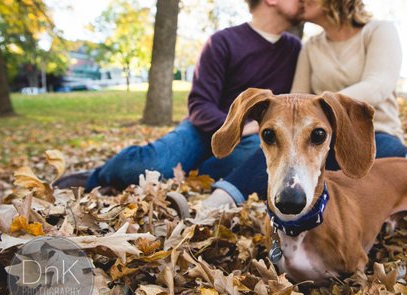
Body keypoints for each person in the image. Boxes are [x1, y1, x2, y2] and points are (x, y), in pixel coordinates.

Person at [54, 0, 303, 194]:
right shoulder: (223, 42)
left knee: (251, 166)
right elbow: (199, 106)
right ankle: (98, 176)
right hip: (202, 131)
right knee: (148, 167)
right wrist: (240, 127)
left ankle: (188, 173)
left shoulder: (296, 50)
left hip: (256, 141)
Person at [202, 0, 407, 210]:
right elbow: (296, 97)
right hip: (315, 134)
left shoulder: (379, 31)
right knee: (285, 144)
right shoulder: (311, 46)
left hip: (374, 134)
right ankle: (224, 197)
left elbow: (378, 85)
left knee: (391, 150)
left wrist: (327, 107)